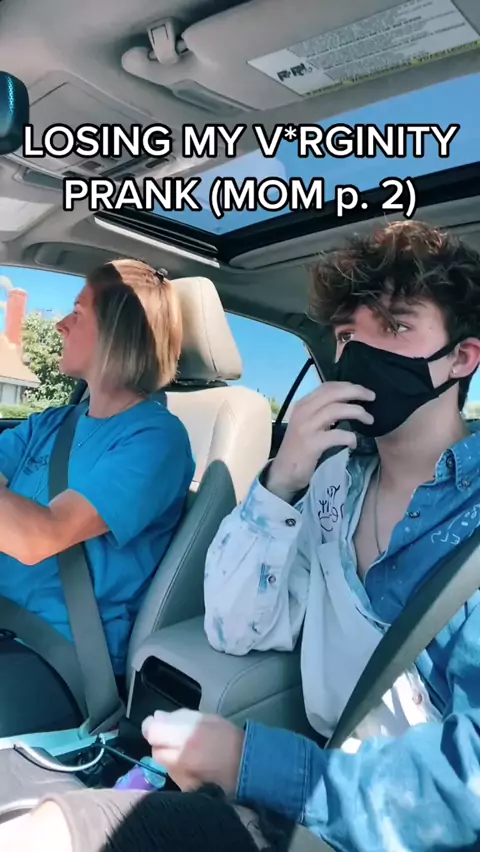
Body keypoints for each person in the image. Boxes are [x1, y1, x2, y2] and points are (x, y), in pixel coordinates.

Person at [199, 221, 480, 849]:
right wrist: (281, 483)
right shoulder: (331, 485)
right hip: (316, 799)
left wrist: (258, 765)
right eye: (350, 334)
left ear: (461, 359)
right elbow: (234, 627)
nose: (360, 353)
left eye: (397, 326)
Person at [0, 259, 195, 734]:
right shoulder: (51, 424)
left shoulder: (156, 440)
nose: (61, 324)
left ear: (118, 331)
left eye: (78, 312)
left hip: (55, 656)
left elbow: (39, 537)